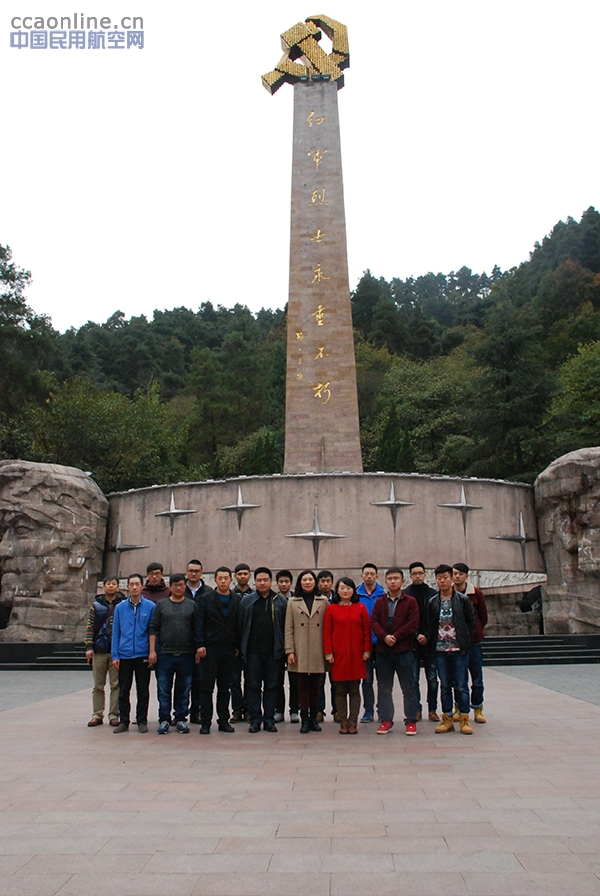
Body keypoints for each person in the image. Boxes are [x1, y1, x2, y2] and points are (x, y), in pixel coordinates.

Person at [148, 573, 202, 734]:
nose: (179, 588)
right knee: (164, 689)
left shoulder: (192, 605)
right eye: (176, 585)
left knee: (183, 689)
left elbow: (197, 629)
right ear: (170, 587)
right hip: (165, 654)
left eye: (181, 585)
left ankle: (180, 719)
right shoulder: (161, 605)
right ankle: (164, 719)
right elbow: (153, 629)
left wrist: (198, 648)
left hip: (186, 654)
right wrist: (152, 651)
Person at [428, 564, 476, 735]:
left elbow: (471, 623)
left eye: (445, 577)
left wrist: (464, 641)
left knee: (461, 685)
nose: (442, 581)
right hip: (440, 650)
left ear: (451, 578)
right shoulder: (433, 602)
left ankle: (464, 718)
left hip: (459, 650)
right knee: (445, 686)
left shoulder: (463, 600)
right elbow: (430, 624)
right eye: (439, 578)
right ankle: (447, 718)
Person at [371, 568, 420, 735]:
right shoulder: (380, 602)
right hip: (383, 651)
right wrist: (384, 637)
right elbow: (374, 622)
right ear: (385, 581)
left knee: (408, 687)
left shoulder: (410, 601)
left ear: (402, 581)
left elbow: (413, 623)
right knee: (384, 688)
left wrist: (396, 637)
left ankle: (411, 720)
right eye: (390, 579)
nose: (393, 581)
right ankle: (386, 719)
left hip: (404, 651)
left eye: (396, 578)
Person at [238, 568, 287, 733]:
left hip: (274, 652)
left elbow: (286, 627)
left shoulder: (280, 601)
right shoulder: (247, 601)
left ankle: (269, 719)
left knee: (272, 686)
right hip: (252, 652)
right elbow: (240, 626)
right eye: (259, 580)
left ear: (271, 581)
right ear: (255, 582)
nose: (262, 583)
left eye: (265, 580)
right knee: (253, 686)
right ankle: (255, 719)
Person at [323, 577, 371, 734]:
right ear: (337, 590)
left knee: (355, 690)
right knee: (340, 690)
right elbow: (327, 632)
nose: (345, 591)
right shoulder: (331, 609)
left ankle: (353, 721)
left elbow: (366, 631)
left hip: (357, 655)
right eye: (342, 588)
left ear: (353, 590)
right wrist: (328, 652)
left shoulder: (361, 608)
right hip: (339, 655)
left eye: (348, 588)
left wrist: (366, 650)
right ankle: (343, 721)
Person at [197, 566, 240, 734]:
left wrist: (237, 645)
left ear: (231, 580)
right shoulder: (206, 598)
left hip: (229, 649)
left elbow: (238, 624)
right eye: (220, 578)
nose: (223, 581)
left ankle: (223, 720)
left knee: (224, 687)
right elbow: (199, 623)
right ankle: (205, 722)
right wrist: (200, 644)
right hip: (210, 648)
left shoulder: (236, 599)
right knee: (206, 688)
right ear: (214, 580)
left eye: (226, 578)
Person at [111, 573, 155, 733]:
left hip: (142, 654)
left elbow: (152, 631)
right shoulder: (120, 608)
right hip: (125, 654)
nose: (134, 587)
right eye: (131, 584)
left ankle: (142, 720)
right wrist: (115, 655)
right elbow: (116, 632)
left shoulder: (150, 607)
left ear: (142, 586)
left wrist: (152, 652)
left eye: (137, 584)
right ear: (127, 587)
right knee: (123, 690)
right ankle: (124, 721)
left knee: (143, 690)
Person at [285, 570, 328, 734]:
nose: (308, 582)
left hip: (317, 648)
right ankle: (304, 719)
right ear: (300, 583)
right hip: (300, 648)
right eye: (304, 580)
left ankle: (314, 719)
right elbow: (288, 628)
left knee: (316, 686)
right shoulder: (292, 602)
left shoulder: (323, 601)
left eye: (310, 579)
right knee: (301, 686)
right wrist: (290, 651)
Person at [85, 575, 125, 727]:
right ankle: (97, 714)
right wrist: (89, 647)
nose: (111, 586)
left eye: (114, 584)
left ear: (118, 586)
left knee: (116, 684)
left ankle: (114, 714)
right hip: (99, 649)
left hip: (116, 651)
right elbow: (90, 626)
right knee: (98, 685)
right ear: (104, 586)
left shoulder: (123, 604)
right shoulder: (96, 606)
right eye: (108, 583)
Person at [403, 561, 439, 722]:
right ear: (410, 576)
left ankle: (433, 709)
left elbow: (436, 619)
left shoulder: (433, 594)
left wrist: (428, 636)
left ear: (425, 575)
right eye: (414, 574)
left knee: (432, 678)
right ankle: (416, 709)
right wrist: (416, 635)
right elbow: (406, 620)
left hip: (430, 644)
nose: (417, 576)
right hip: (412, 643)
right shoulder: (406, 595)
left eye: (420, 573)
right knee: (413, 679)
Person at [452, 562, 488, 723]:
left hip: (473, 641)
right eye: (454, 573)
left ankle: (478, 708)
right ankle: (459, 708)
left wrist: (476, 630)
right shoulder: (449, 593)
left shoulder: (475, 593)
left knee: (477, 678)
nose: (457, 576)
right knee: (458, 678)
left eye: (460, 574)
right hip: (455, 641)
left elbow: (483, 616)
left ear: (466, 575)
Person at [356, 563, 386, 723]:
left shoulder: (383, 595)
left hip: (381, 642)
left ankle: (382, 710)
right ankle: (368, 710)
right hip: (363, 644)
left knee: (383, 680)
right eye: (366, 574)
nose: (369, 576)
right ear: (362, 576)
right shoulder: (355, 595)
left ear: (377, 576)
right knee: (366, 680)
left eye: (372, 574)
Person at [185, 558, 211, 724]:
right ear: (186, 572)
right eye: (191, 571)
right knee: (183, 681)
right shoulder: (179, 590)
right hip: (182, 643)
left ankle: (197, 711)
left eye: (196, 571)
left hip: (202, 643)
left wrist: (201, 644)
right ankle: (180, 713)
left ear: (201, 573)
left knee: (200, 680)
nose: (193, 574)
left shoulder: (208, 592)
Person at [274, 570, 300, 724]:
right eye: (281, 582)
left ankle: (294, 710)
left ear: (291, 583)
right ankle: (279, 710)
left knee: (295, 681)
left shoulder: (297, 600)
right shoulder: (273, 600)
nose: (284, 584)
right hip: (277, 646)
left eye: (286, 582)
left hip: (294, 646)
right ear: (277, 583)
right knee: (277, 681)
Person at [230, 563, 253, 723]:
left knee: (251, 680)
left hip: (251, 644)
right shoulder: (231, 595)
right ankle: (237, 710)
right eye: (240, 574)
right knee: (234, 680)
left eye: (245, 573)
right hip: (234, 645)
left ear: (249, 575)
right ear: (235, 576)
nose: (243, 576)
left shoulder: (255, 595)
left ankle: (250, 709)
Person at [316, 569, 337, 722]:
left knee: (336, 681)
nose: (325, 584)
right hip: (318, 644)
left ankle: (337, 710)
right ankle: (319, 710)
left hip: (336, 645)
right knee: (319, 681)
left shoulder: (339, 598)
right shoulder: (314, 599)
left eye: (328, 581)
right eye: (322, 581)